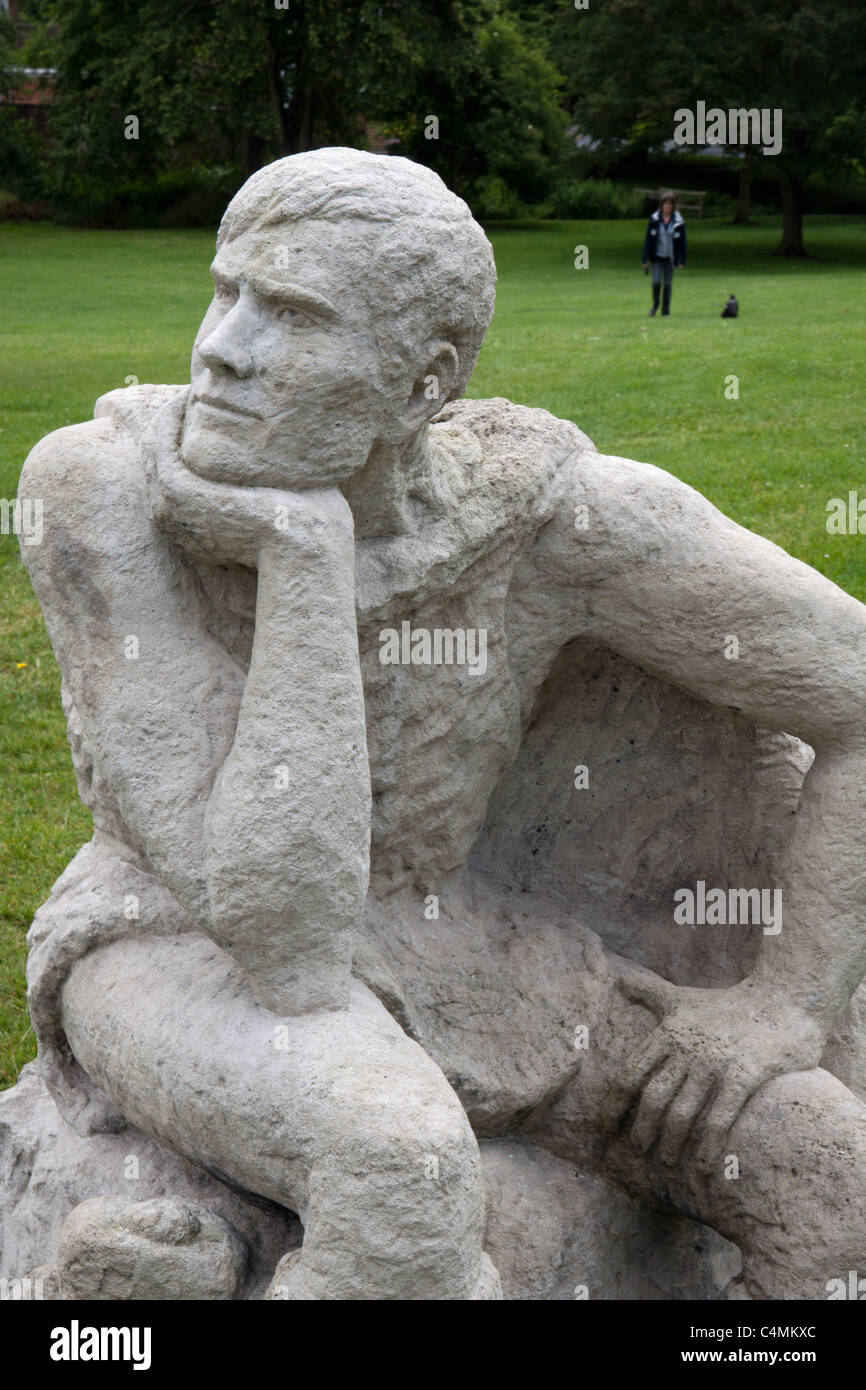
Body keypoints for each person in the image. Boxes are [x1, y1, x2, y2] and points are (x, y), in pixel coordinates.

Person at [18, 149, 866, 1300]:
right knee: (397, 1171)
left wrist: (784, 1004)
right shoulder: (103, 493)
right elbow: (284, 935)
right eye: (226, 291)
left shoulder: (548, 517)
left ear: (422, 386)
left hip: (467, 943)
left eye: (292, 316)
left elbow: (854, 693)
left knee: (826, 1175)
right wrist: (302, 559)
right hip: (176, 948)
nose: (220, 346)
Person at [642, 190, 687, 316]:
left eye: (670, 204)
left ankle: (665, 309)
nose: (667, 206)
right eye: (665, 204)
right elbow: (648, 240)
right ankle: (655, 305)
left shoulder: (678, 221)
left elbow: (683, 242)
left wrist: (682, 260)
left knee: (667, 284)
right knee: (656, 282)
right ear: (661, 205)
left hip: (670, 258)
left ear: (673, 206)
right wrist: (644, 259)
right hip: (656, 257)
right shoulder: (654, 219)